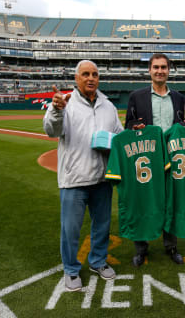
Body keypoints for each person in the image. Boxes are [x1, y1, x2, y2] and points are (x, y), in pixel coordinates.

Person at [43, 60, 123, 291]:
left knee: (102, 226)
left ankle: (97, 261)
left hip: (102, 179)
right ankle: (71, 269)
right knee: (70, 230)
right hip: (74, 180)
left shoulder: (108, 105)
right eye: (85, 74)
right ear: (77, 79)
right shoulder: (65, 102)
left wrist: (129, 136)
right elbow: (52, 130)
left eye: (95, 74)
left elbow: (118, 134)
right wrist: (57, 110)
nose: (91, 78)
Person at [124, 53, 185, 267]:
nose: (160, 71)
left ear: (169, 70)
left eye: (164, 67)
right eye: (156, 67)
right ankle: (141, 249)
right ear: (150, 70)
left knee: (171, 203)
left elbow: (180, 125)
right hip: (147, 159)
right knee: (143, 203)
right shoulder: (136, 96)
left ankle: (171, 246)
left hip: (172, 159)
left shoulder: (178, 98)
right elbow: (128, 126)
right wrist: (134, 127)